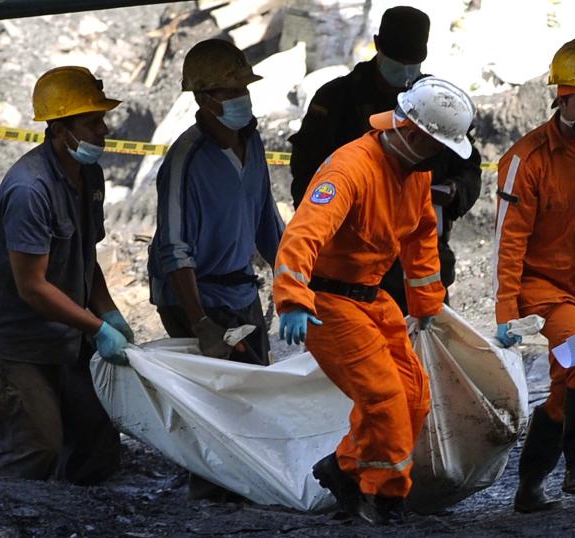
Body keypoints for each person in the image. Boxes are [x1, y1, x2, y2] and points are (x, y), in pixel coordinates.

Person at [274, 76, 475, 524]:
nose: (438, 156)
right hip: (328, 303)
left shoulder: (415, 174)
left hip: (372, 296)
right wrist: (292, 299)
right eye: (434, 145)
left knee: (414, 396)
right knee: (383, 399)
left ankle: (344, 468)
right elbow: (304, 233)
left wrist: (427, 307)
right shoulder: (351, 169)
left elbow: (422, 238)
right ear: (411, 133)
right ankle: (384, 500)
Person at [0, 66, 129, 484]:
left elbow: (84, 253)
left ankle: (76, 521)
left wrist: (109, 312)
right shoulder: (29, 190)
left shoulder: (88, 173)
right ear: (59, 129)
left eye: (102, 119)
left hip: (66, 333)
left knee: (98, 438)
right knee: (36, 446)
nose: (103, 130)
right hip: (15, 340)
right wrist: (96, 327)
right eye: (92, 122)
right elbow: (32, 288)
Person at [493, 38, 575, 513]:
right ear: (562, 99)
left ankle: (531, 483)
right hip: (543, 289)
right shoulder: (526, 161)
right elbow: (507, 244)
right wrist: (506, 312)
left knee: (571, 375)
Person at [288, 5, 481, 308]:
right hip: (350, 261)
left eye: (413, 62)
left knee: (419, 345)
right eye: (398, 60)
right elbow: (306, 177)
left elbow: (468, 165)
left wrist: (454, 192)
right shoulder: (336, 101)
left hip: (420, 255)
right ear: (377, 45)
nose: (405, 71)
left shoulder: (438, 104)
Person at [148, 39, 282, 367]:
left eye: (243, 89)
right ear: (203, 99)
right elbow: (175, 250)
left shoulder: (252, 141)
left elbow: (268, 221)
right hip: (194, 298)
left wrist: (295, 281)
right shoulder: (185, 161)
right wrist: (201, 324)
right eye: (228, 91)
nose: (241, 98)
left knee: (257, 381)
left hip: (240, 288)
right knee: (217, 396)